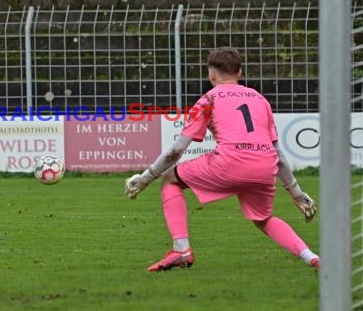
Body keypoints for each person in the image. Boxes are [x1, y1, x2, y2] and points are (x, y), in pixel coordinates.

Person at [124, 47, 319, 271]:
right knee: (263, 219)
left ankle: (181, 249)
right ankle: (312, 257)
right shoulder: (260, 100)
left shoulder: (208, 99)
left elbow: (176, 150)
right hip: (265, 167)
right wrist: (296, 192)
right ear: (240, 72)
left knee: (170, 178)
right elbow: (278, 155)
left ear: (211, 74)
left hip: (229, 163)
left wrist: (146, 178)